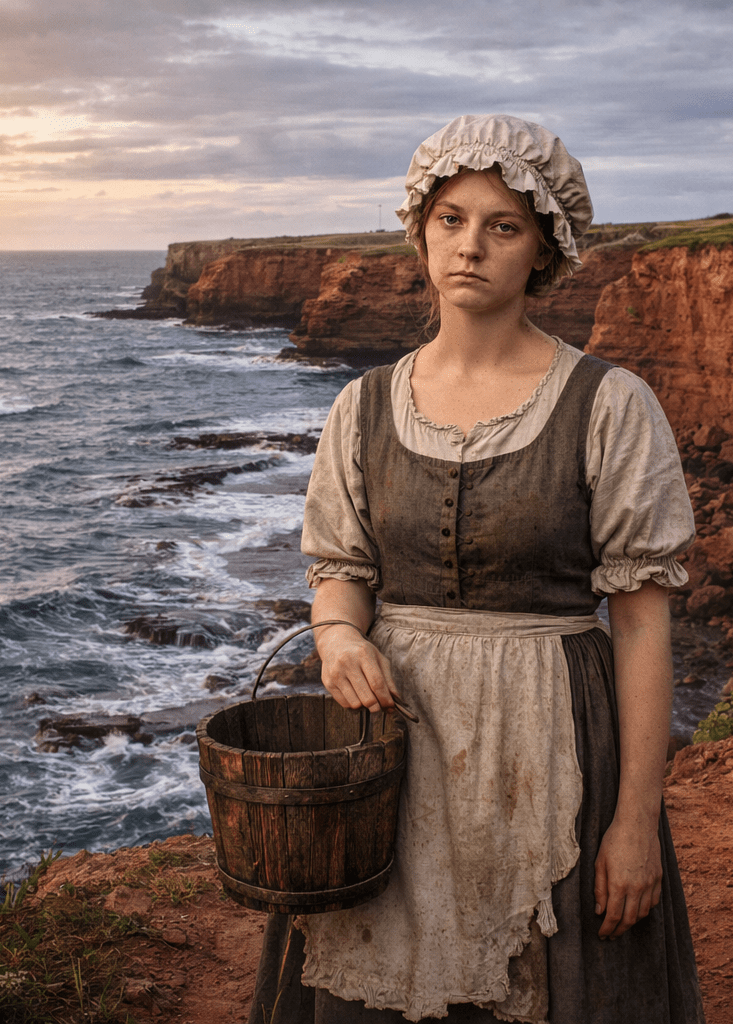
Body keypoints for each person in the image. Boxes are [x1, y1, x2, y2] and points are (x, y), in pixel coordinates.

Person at [249, 114, 704, 1024]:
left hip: (554, 743)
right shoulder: (363, 405)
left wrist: (634, 823)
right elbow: (340, 570)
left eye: (504, 226)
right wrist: (337, 634)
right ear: (420, 230)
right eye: (451, 219)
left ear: (544, 248)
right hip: (390, 755)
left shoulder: (610, 405)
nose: (470, 247)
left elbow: (644, 623)